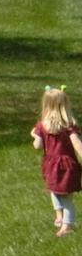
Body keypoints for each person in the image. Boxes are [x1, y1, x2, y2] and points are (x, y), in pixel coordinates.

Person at [37, 87, 80, 238]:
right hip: (67, 166)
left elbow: (38, 145)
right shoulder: (69, 126)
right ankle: (65, 223)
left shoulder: (42, 126)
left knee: (54, 190)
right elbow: (76, 143)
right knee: (66, 197)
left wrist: (35, 138)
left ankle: (63, 221)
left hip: (51, 165)